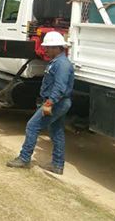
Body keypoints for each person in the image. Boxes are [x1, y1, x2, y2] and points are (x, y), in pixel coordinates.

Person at [7, 31, 74, 175]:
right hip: (60, 102)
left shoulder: (61, 64)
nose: (46, 50)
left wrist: (49, 103)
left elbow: (60, 87)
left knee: (32, 126)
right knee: (56, 131)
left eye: (48, 48)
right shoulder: (58, 62)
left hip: (57, 102)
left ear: (57, 47)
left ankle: (24, 158)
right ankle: (57, 164)